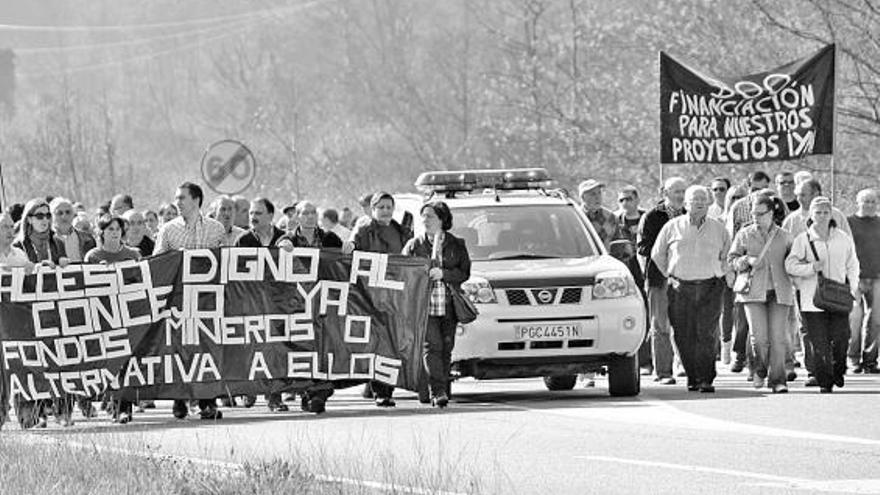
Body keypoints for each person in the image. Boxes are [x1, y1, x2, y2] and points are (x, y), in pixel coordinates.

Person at [154, 182, 226, 419]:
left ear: (196, 200)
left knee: (207, 350)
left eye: (182, 198)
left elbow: (227, 263)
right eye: (177, 198)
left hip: (207, 301)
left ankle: (207, 401)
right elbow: (156, 264)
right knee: (178, 349)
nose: (178, 202)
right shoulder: (168, 230)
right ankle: (179, 398)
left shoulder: (216, 229)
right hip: (177, 301)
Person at [652, 185, 730, 393]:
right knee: (683, 334)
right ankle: (692, 377)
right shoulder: (672, 227)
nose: (699, 204)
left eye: (703, 200)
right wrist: (671, 273)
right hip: (680, 288)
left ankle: (706, 379)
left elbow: (727, 254)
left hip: (710, 287)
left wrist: (719, 272)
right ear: (685, 204)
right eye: (695, 200)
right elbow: (657, 254)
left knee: (706, 333)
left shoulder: (719, 228)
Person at [344, 191, 413, 407]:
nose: (385, 211)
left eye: (388, 207)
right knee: (375, 343)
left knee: (391, 343)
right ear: (372, 209)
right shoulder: (364, 230)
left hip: (394, 296)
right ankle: (378, 390)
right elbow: (352, 250)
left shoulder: (400, 230)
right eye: (380, 207)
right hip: (370, 296)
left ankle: (387, 389)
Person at [785, 196, 859, 393]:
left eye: (826, 212)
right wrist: (810, 268)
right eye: (818, 212)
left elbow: (853, 264)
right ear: (811, 215)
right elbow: (790, 265)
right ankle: (825, 381)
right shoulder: (803, 240)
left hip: (839, 297)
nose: (822, 216)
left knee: (841, 337)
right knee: (819, 342)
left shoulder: (843, 238)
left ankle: (839, 369)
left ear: (832, 214)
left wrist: (852, 287)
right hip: (812, 299)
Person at [275, 200, 343, 414]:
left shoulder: (329, 238)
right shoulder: (290, 239)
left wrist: (350, 248)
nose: (310, 217)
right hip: (299, 302)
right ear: (297, 216)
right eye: (305, 213)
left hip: (325, 301)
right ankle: (308, 391)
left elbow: (344, 257)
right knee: (303, 347)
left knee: (324, 346)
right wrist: (283, 248)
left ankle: (320, 391)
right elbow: (278, 252)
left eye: (313, 213)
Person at [403, 201, 471, 408]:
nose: (426, 220)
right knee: (432, 347)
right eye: (423, 216)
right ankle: (437, 391)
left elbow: (464, 272)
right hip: (425, 305)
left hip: (449, 304)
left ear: (442, 219)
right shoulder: (415, 245)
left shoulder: (456, 244)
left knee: (446, 348)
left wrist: (445, 274)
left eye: (431, 216)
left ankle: (441, 389)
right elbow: (403, 271)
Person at [13, 199, 72, 427]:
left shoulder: (56, 243)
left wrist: (62, 266)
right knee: (27, 361)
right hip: (25, 315)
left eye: (47, 215)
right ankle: (30, 412)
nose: (45, 220)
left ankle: (63, 410)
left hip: (55, 312)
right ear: (28, 219)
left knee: (61, 358)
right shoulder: (18, 246)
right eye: (39, 216)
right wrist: (36, 270)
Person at [728, 195, 794, 393]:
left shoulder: (785, 236)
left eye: (760, 213)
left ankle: (778, 380)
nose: (755, 217)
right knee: (760, 338)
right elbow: (731, 260)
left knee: (778, 338)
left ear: (771, 213)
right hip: (753, 292)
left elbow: (793, 261)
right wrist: (746, 260)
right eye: (753, 213)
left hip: (780, 291)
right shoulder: (744, 234)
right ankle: (759, 369)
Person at [84, 215, 142, 423]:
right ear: (101, 233)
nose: (115, 232)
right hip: (104, 317)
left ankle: (124, 407)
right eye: (110, 229)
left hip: (128, 316)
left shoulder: (133, 254)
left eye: (117, 228)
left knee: (127, 361)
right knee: (109, 361)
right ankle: (110, 401)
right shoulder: (92, 256)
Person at [637, 177, 686, 385]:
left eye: (683, 191)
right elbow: (642, 247)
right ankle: (663, 371)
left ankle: (684, 365)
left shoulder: (689, 215)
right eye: (676, 191)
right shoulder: (652, 216)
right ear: (665, 193)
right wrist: (667, 251)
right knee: (661, 326)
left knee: (684, 324)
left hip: (685, 278)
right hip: (659, 278)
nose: (681, 195)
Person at [615, 185, 649, 374]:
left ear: (637, 200)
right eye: (621, 200)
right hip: (625, 272)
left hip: (645, 271)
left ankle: (647, 361)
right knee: (631, 315)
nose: (625, 203)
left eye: (628, 199)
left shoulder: (647, 217)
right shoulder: (615, 221)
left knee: (647, 314)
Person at [847, 188, 880, 374]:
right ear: (857, 202)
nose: (869, 204)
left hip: (877, 277)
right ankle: (853, 359)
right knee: (854, 320)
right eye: (865, 201)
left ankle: (870, 360)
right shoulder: (850, 222)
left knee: (876, 320)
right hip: (855, 277)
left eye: (872, 201)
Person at [50, 197, 96, 263]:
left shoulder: (88, 239)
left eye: (68, 212)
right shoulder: (45, 240)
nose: (64, 216)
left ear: (73, 215)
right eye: (59, 213)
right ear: (52, 216)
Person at [578, 179, 619, 249]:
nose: (598, 197)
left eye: (599, 193)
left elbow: (619, 244)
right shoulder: (576, 217)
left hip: (605, 258)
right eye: (593, 194)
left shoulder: (611, 217)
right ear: (583, 197)